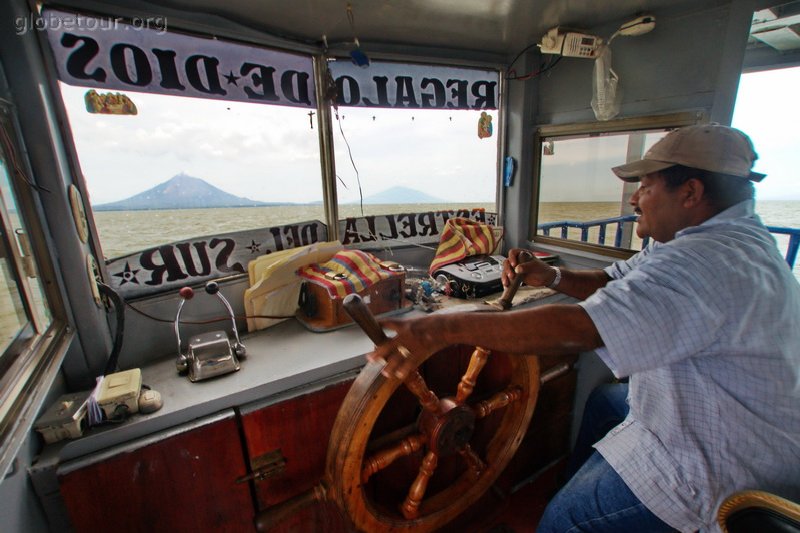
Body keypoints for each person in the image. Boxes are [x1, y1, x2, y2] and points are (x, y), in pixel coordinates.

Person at [368, 123, 800, 532]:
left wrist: (440, 330)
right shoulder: (729, 239)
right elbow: (615, 280)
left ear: (690, 192)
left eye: (646, 187)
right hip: (745, 422)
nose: (634, 201)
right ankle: (582, 494)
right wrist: (549, 277)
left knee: (564, 521)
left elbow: (585, 328)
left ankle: (574, 515)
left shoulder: (702, 262)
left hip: (725, 465)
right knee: (607, 402)